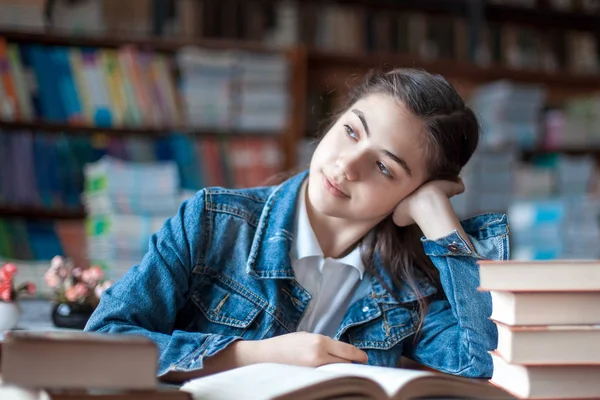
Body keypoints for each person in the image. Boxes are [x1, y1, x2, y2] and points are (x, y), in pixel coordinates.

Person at [85, 68, 509, 382]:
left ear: (413, 194)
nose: (346, 165)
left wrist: (437, 217)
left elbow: (485, 359)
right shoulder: (213, 223)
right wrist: (253, 356)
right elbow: (101, 342)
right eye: (351, 131)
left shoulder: (410, 286)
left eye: (383, 166)